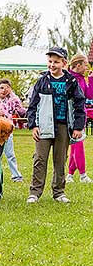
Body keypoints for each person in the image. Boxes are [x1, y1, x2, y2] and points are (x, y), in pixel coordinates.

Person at [27, 46, 86, 204]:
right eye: (50, 61)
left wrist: (78, 127)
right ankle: (35, 192)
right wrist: (33, 125)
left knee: (60, 160)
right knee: (40, 159)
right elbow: (32, 105)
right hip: (44, 126)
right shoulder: (42, 81)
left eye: (56, 62)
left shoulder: (71, 82)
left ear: (64, 63)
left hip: (63, 126)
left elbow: (80, 104)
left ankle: (58, 192)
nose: (52, 65)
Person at [66, 53, 93, 183]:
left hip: (81, 115)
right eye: (85, 65)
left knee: (76, 145)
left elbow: (89, 95)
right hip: (73, 116)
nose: (87, 67)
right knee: (78, 145)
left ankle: (70, 175)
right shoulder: (69, 79)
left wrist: (91, 79)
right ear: (78, 65)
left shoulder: (82, 78)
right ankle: (83, 175)